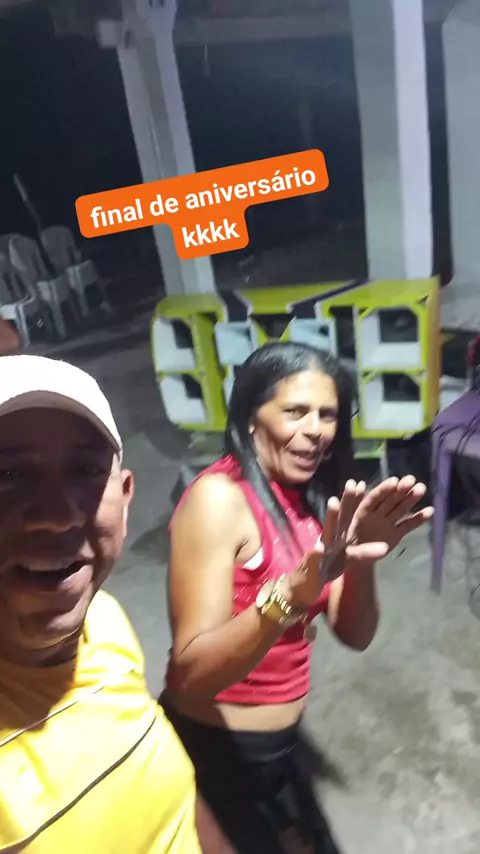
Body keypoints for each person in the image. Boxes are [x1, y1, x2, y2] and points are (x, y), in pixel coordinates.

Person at [162, 342, 434, 854]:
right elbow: (191, 677)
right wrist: (287, 595)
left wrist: (360, 561)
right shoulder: (220, 498)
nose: (316, 429)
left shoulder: (313, 499)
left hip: (279, 754)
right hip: (216, 755)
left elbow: (355, 634)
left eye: (328, 415)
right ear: (250, 416)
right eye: (295, 411)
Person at [0, 354, 222, 854]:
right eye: (9, 473)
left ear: (124, 500)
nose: (56, 515)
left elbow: (164, 786)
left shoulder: (104, 619)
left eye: (85, 470)